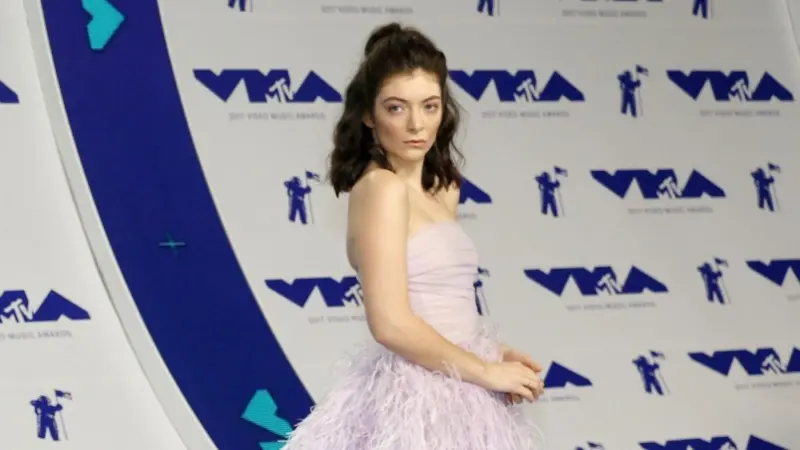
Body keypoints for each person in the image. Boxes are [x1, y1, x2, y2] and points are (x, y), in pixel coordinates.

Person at [281, 22, 545, 449]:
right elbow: (390, 323)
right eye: (396, 108)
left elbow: (441, 304)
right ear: (368, 115)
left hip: (460, 391)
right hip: (414, 398)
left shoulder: (445, 187)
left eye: (429, 106)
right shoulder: (380, 188)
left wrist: (494, 355)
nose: (416, 125)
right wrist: (486, 371)